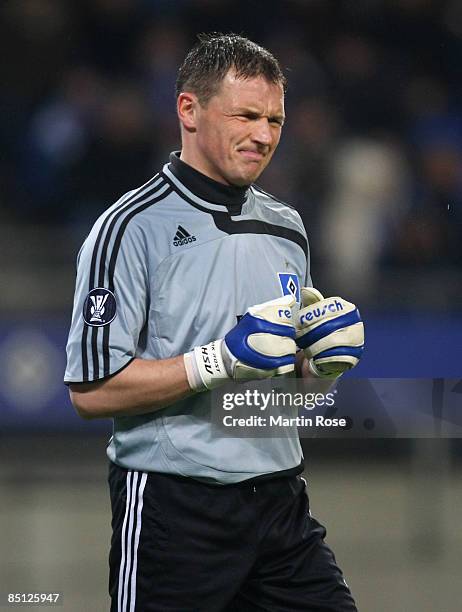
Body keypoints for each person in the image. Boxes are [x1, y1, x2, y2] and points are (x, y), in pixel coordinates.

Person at [65, 33, 364, 612]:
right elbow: (92, 391)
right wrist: (216, 361)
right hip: (175, 514)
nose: (264, 135)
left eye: (275, 119)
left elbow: (279, 390)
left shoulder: (288, 228)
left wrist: (318, 370)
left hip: (282, 507)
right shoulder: (127, 229)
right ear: (189, 110)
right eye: (247, 115)